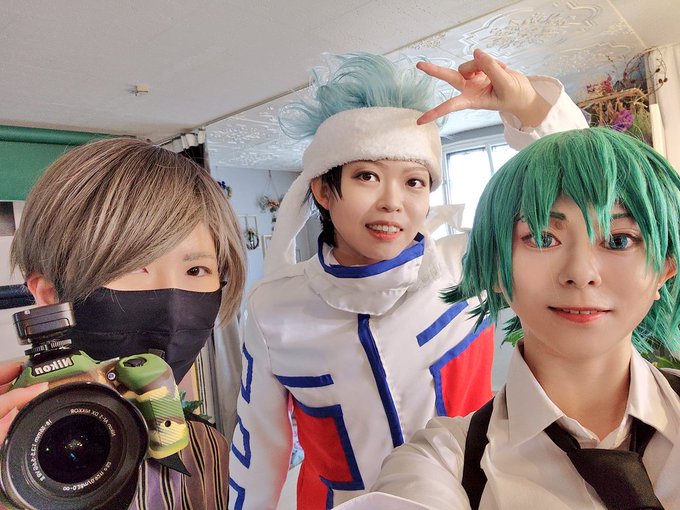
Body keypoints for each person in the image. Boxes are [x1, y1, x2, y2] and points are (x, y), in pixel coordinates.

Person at [228, 50, 588, 509]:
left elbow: (588, 199)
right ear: (323, 190)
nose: (392, 202)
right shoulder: (273, 308)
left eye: (414, 181)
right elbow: (258, 452)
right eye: (367, 176)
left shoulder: (471, 265)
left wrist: (529, 107)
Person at [339, 127, 680, 509]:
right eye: (542, 238)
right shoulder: (443, 461)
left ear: (665, 269)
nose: (581, 273)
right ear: (497, 267)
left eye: (619, 240)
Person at [1, 137, 246, 509]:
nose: (173, 309)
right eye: (133, 267)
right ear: (50, 294)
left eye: (197, 270)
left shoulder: (207, 450)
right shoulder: (12, 460)